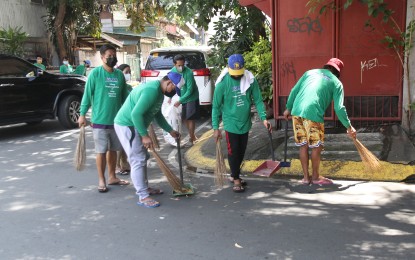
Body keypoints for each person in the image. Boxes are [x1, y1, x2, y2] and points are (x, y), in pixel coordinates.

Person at [283, 58, 357, 185]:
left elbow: (294, 91)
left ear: (326, 66)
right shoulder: (336, 83)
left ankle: (306, 178)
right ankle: (316, 177)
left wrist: (288, 108)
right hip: (313, 114)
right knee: (316, 147)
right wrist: (348, 126)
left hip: (296, 111)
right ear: (338, 72)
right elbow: (339, 108)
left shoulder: (309, 73)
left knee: (303, 145)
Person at [114, 72, 182, 208]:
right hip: (127, 125)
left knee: (142, 157)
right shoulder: (151, 91)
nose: (174, 92)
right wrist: (144, 135)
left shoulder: (158, 92)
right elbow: (136, 114)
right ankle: (143, 196)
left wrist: (170, 130)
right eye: (174, 89)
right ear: (169, 83)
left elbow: (157, 115)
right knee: (137, 160)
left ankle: (144, 188)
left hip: (134, 125)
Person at [212, 54, 270, 193]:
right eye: (234, 74)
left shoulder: (250, 80)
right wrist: (215, 127)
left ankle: (234, 174)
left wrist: (264, 118)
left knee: (242, 150)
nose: (237, 76)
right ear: (228, 68)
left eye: (239, 74)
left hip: (245, 122)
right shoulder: (222, 83)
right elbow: (215, 106)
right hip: (230, 122)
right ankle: (236, 179)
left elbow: (258, 100)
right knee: (233, 151)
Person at [78, 44, 130, 193]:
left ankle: (112, 176)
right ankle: (102, 179)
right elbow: (87, 96)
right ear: (102, 57)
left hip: (117, 120)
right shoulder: (95, 74)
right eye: (109, 56)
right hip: (99, 120)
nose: (113, 58)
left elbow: (125, 97)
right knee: (101, 151)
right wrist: (82, 114)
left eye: (114, 55)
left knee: (113, 150)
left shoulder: (119, 75)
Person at [171, 54, 199, 146]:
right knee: (183, 119)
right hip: (181, 97)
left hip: (191, 97)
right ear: (174, 64)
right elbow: (172, 85)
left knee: (190, 118)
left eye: (182, 65)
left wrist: (180, 100)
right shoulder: (172, 71)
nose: (181, 67)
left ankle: (192, 137)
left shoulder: (188, 73)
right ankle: (192, 135)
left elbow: (190, 90)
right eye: (179, 65)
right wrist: (170, 97)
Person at [114, 64, 132, 175]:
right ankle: (116, 165)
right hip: (118, 118)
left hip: (128, 118)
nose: (128, 74)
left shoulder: (129, 87)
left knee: (126, 142)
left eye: (129, 72)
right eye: (126, 72)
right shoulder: (116, 87)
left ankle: (124, 163)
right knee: (119, 144)